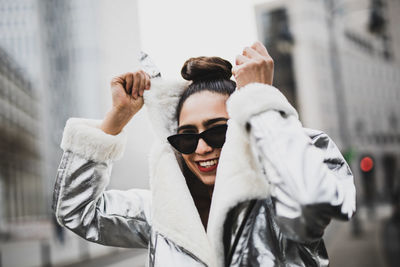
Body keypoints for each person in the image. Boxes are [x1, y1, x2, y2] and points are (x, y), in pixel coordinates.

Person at [53, 42, 356, 266]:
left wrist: (261, 101)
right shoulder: (164, 211)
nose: (201, 148)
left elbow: (313, 202)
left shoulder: (281, 194)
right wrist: (117, 118)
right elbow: (76, 211)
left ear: (245, 127)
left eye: (218, 131)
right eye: (187, 137)